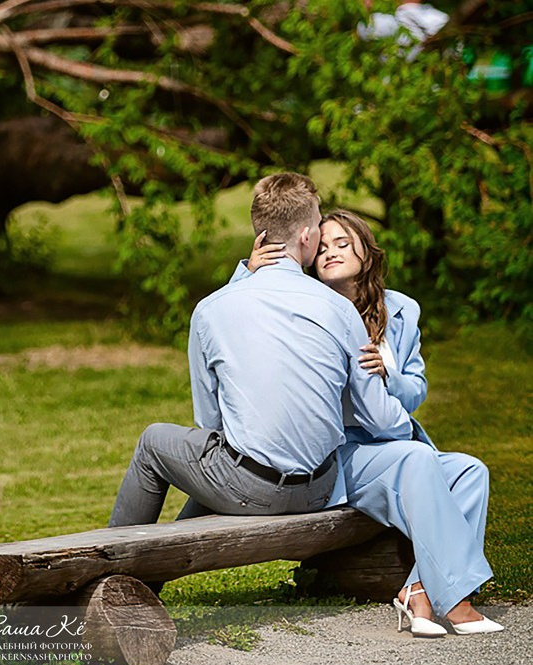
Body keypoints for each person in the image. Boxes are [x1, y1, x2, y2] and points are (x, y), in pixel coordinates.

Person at [237, 209, 504, 636]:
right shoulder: (305, 307)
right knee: (415, 458)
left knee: (471, 471)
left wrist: (390, 374)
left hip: (393, 444)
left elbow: (416, 389)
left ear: (366, 248)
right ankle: (455, 600)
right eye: (321, 247)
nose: (330, 253)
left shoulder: (401, 311)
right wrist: (247, 273)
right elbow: (241, 316)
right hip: (338, 451)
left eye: (342, 243)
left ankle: (417, 589)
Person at [109, 174, 412, 534]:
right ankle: (144, 576)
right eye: (318, 226)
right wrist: (408, 428)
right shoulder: (340, 309)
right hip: (321, 488)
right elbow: (378, 416)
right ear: (306, 236)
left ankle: (113, 562)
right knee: (223, 463)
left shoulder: (210, 310)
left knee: (154, 442)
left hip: (252, 488)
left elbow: (210, 421)